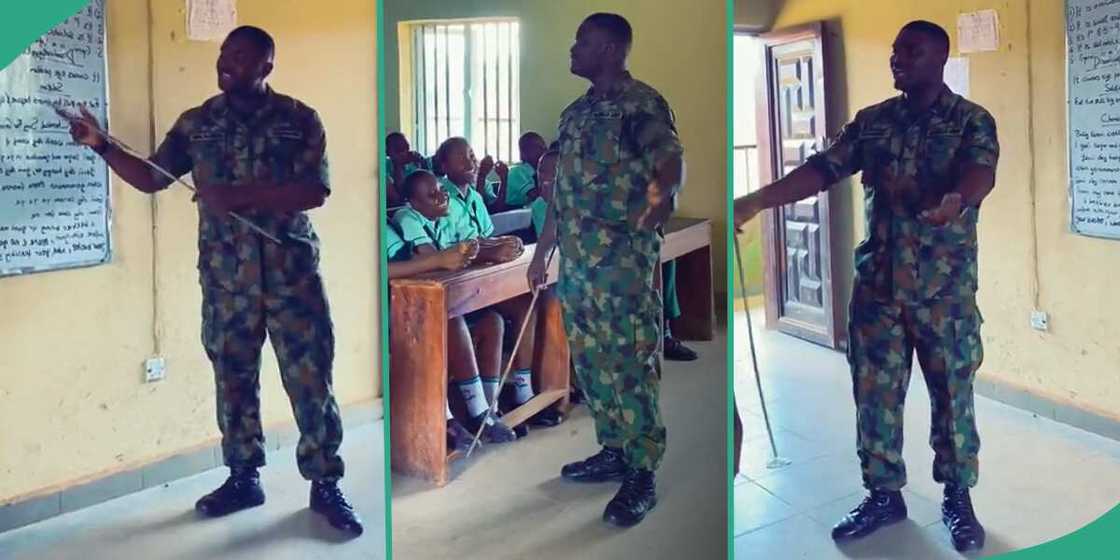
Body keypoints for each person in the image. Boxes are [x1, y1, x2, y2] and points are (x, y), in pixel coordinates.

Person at [64, 26, 364, 535]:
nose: (227, 63)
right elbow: (154, 176)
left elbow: (315, 190)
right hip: (227, 281)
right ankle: (243, 478)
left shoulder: (298, 119)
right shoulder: (198, 123)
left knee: (311, 382)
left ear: (267, 66)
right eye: (225, 54)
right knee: (233, 381)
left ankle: (324, 485)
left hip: (293, 277)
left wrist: (241, 196)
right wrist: (101, 147)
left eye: (242, 57)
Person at [733, 20, 997, 553]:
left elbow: (981, 173)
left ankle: (957, 498)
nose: (898, 58)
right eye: (895, 50)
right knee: (874, 397)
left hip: (943, 293)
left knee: (952, 398)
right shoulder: (873, 123)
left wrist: (957, 201)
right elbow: (822, 169)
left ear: (939, 58)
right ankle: (883, 494)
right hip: (877, 290)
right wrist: (759, 198)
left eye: (911, 51)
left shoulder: (970, 120)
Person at [528, 13, 684, 528]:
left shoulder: (641, 105)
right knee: (593, 362)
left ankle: (642, 469)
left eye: (583, 42)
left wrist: (657, 208)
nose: (572, 49)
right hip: (578, 265)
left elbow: (669, 159)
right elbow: (559, 193)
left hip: (621, 265)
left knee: (631, 364)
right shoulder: (575, 115)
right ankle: (613, 447)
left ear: (611, 49)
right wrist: (541, 251)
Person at [394, 169, 521, 444]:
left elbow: (468, 246)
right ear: (413, 203)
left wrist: (495, 246)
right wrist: (482, 251)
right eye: (432, 195)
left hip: (448, 299)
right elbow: (437, 259)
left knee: (493, 322)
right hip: (417, 309)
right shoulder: (406, 218)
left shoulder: (446, 213)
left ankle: (491, 408)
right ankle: (476, 413)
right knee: (454, 320)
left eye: (441, 189)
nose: (442, 197)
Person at [385, 132, 431, 208]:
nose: (404, 152)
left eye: (407, 148)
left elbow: (428, 187)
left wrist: (422, 164)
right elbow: (401, 196)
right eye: (399, 150)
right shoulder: (385, 166)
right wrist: (398, 166)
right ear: (387, 152)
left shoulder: (413, 164)